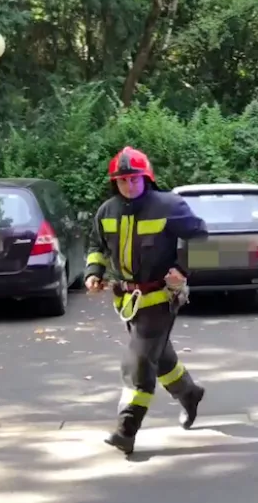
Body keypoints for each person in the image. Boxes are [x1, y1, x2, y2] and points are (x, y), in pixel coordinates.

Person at [83, 146, 209, 455]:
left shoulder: (168, 205)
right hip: (128, 301)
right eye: (122, 180)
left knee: (138, 361)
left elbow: (202, 238)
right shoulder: (106, 211)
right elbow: (97, 246)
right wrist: (93, 272)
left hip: (161, 298)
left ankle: (126, 430)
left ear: (147, 178)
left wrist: (183, 269)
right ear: (115, 182)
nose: (129, 185)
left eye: (135, 179)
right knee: (159, 356)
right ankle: (189, 393)